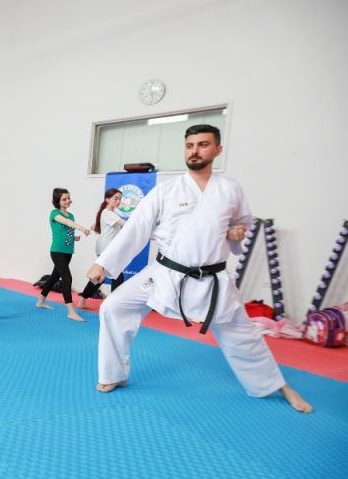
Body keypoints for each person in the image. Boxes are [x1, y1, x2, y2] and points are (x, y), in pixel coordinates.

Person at [86, 124, 312, 413]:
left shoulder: (230, 189)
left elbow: (242, 223)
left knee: (242, 335)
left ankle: (276, 385)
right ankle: (114, 374)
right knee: (113, 306)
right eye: (190, 145)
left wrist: (236, 233)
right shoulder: (166, 190)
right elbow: (136, 228)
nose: (195, 151)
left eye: (203, 145)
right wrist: (103, 263)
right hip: (165, 272)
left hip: (212, 279)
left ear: (217, 149)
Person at [35, 188, 91, 321]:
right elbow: (65, 222)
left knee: (54, 276)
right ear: (58, 201)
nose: (68, 201)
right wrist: (81, 228)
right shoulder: (54, 213)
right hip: (57, 251)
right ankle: (71, 311)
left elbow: (66, 231)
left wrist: (74, 237)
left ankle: (40, 301)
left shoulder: (71, 215)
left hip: (68, 251)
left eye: (68, 198)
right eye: (64, 199)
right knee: (67, 278)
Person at [76, 188, 126, 309]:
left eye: (120, 199)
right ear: (107, 199)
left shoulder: (107, 213)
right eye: (115, 198)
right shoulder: (108, 213)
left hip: (105, 248)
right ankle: (113, 306)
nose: (118, 201)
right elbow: (127, 225)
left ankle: (82, 301)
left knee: (100, 277)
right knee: (116, 276)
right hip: (106, 249)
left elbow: (94, 226)